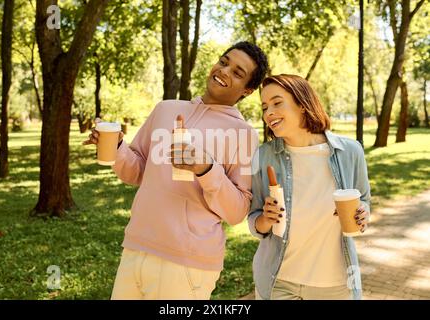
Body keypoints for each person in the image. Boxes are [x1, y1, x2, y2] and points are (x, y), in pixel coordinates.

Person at [83, 41, 269, 299]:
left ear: (247, 90)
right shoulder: (165, 109)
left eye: (238, 72)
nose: (224, 71)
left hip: (187, 263)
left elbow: (237, 211)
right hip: (136, 247)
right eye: (224, 62)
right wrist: (116, 147)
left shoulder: (243, 135)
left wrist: (206, 168)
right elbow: (136, 171)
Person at [248, 74, 371, 300]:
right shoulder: (263, 156)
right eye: (265, 107)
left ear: (302, 104)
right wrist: (265, 218)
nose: (268, 113)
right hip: (279, 282)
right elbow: (254, 219)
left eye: (277, 103)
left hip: (336, 284)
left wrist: (362, 213)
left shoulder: (350, 152)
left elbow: (363, 200)